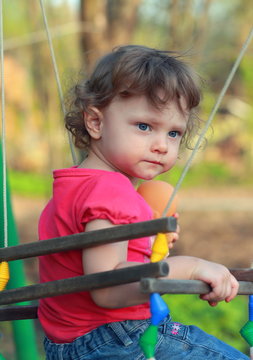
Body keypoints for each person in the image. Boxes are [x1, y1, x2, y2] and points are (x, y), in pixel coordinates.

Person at [38, 45, 249, 360]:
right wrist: (188, 268)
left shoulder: (74, 186)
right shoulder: (110, 191)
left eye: (174, 133)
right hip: (117, 340)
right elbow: (107, 287)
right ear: (95, 122)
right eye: (144, 126)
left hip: (70, 345)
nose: (162, 145)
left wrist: (148, 242)